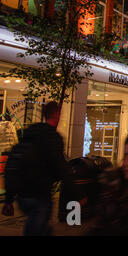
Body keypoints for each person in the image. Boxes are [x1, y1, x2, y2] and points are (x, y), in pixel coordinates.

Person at [2, 101, 85, 236]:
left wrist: (9, 199)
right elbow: (61, 168)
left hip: (22, 196)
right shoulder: (52, 138)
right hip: (40, 195)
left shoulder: (28, 135)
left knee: (39, 225)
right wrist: (77, 195)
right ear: (57, 115)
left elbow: (13, 166)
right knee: (38, 222)